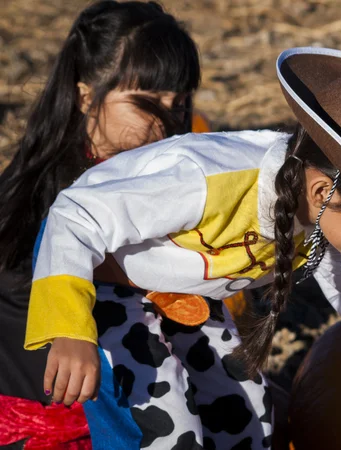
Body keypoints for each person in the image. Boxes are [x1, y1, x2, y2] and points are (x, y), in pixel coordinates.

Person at [26, 47, 341, 448]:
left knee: (247, 416)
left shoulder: (323, 221)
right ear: (321, 194)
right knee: (163, 427)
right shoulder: (208, 181)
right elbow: (75, 216)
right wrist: (69, 328)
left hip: (186, 293)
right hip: (98, 278)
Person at [0, 1, 204, 448]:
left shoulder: (142, 176)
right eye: (144, 103)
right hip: (59, 426)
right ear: (86, 95)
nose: (166, 124)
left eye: (179, 103)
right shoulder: (61, 206)